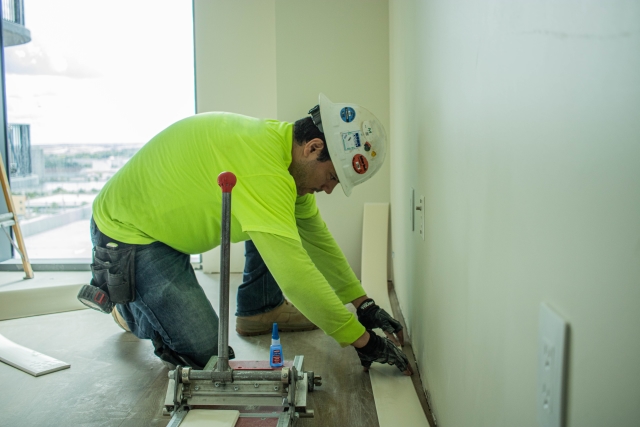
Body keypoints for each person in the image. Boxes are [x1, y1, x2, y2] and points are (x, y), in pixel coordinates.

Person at [86, 93, 412, 375]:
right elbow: (296, 277)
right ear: (313, 148)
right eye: (330, 177)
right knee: (208, 358)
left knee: (277, 228)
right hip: (129, 233)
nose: (327, 189)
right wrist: (360, 339)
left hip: (164, 230)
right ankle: (129, 305)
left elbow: (317, 240)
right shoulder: (264, 171)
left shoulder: (281, 153)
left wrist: (363, 303)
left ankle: (257, 308)